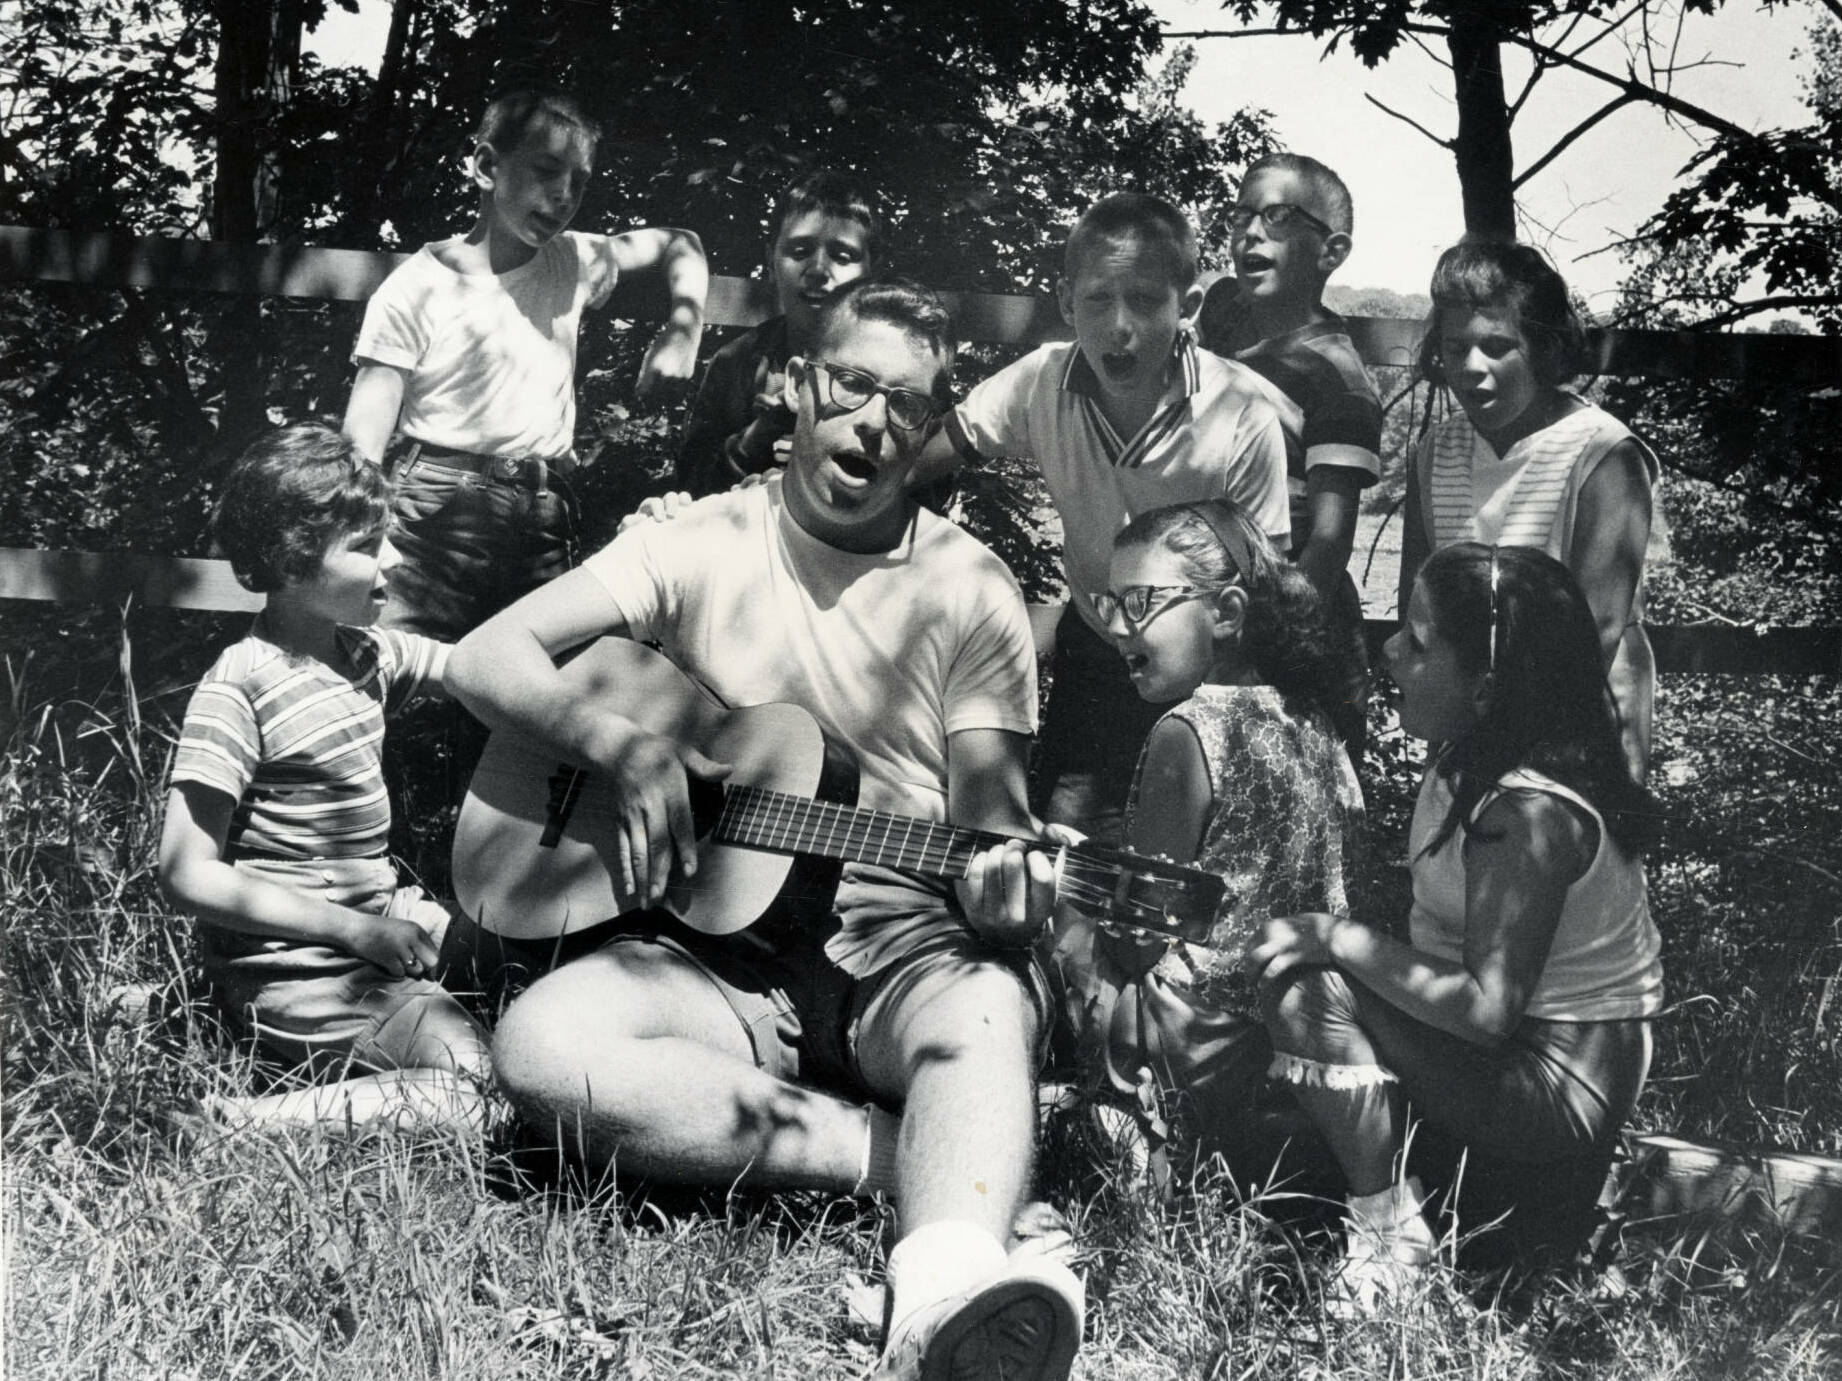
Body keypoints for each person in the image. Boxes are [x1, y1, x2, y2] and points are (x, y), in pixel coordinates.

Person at [445, 280, 1084, 1381]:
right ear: (799, 384)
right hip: (719, 954)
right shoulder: (700, 537)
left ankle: (939, 1293)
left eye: (912, 406)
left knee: (984, 1004)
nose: (875, 422)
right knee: (543, 1047)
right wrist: (622, 747)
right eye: (851, 385)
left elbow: (993, 822)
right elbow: (480, 658)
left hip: (900, 943)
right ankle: (914, 1159)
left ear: (932, 431)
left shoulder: (971, 587)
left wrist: (1004, 890)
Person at [1253, 543, 1665, 1308]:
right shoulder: (1467, 762)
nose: (1388, 651)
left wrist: (1331, 937)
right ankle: (1415, 1189)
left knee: (1308, 993)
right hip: (1511, 1055)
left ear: (1487, 686)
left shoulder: (1528, 812)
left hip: (1555, 1083)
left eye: (1417, 640)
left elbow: (1485, 1009)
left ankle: (1389, 1243)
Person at [915, 191, 1290, 844]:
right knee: (1060, 851)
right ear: (1065, 303)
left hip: (1207, 674)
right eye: (1097, 300)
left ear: (1188, 306)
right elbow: (923, 456)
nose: (1119, 326)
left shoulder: (1239, 413)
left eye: (1146, 301)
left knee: (1182, 867)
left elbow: (1267, 597)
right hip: (1096, 650)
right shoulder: (1040, 383)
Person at [157, 424, 489, 1130]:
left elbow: (475, 668)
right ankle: (238, 1119)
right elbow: (184, 873)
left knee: (526, 966)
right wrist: (353, 932)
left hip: (376, 923)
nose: (394, 561)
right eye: (368, 546)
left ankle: (159, 1003)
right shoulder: (238, 686)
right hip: (293, 965)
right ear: (292, 558)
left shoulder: (367, 654)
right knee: (485, 1090)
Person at [1054, 499, 1363, 1184]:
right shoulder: (1312, 718)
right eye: (1109, 604)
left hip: (1195, 1039)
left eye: (1141, 602)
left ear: (1225, 612)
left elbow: (1141, 934)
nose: (1115, 629)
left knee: (1060, 936)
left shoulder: (1187, 732)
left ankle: (1119, 1131)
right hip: (1298, 1028)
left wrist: (1073, 882)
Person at [342, 88, 709, 642]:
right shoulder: (415, 288)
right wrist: (361, 536)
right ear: (488, 166)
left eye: (579, 182)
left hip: (543, 509)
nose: (563, 196)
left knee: (539, 686)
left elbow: (683, 243)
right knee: (387, 664)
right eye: (545, 171)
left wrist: (684, 328)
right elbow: (364, 436)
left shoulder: (574, 261)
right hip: (433, 513)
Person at [1399, 239, 1660, 780]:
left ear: (1540, 349)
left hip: (1579, 728)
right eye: (1454, 348)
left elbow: (1598, 630)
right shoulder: (1434, 452)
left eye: (1497, 346)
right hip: (1464, 718)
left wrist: (1502, 747)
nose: (1471, 367)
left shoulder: (1604, 456)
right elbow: (1422, 602)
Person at [1195, 153, 1382, 757]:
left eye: (1277, 217)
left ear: (1332, 252)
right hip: (1206, 606)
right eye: (1242, 214)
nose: (1250, 231)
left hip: (1290, 625)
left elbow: (1328, 542)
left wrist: (1262, 655)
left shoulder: (1337, 379)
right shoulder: (1220, 318)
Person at [675, 170, 882, 496]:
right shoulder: (737, 364)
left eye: (842, 256)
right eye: (799, 251)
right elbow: (691, 486)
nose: (818, 271)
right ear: (770, 261)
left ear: (871, 270)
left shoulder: (895, 366)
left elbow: (929, 484)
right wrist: (756, 437)